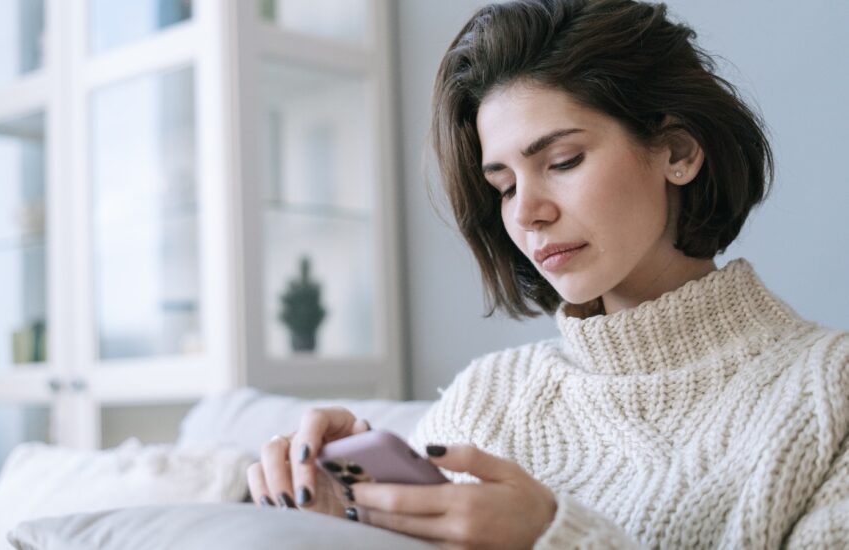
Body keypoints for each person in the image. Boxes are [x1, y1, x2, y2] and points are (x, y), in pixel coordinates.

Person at [246, 0, 849, 547]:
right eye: (504, 187)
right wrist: (344, 519)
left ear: (678, 152)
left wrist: (555, 538)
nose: (528, 213)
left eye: (562, 161)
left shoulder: (830, 393)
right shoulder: (485, 400)